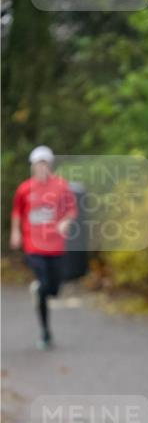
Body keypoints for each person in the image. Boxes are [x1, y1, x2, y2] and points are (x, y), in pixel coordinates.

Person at [10, 146, 77, 349]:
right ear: (32, 166)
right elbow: (17, 213)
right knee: (43, 284)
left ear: (50, 165)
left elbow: (72, 209)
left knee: (54, 289)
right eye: (37, 164)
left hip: (55, 245)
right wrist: (16, 232)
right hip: (34, 244)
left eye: (44, 164)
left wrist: (66, 221)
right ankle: (46, 333)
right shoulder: (24, 189)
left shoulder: (62, 186)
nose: (41, 168)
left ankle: (41, 289)